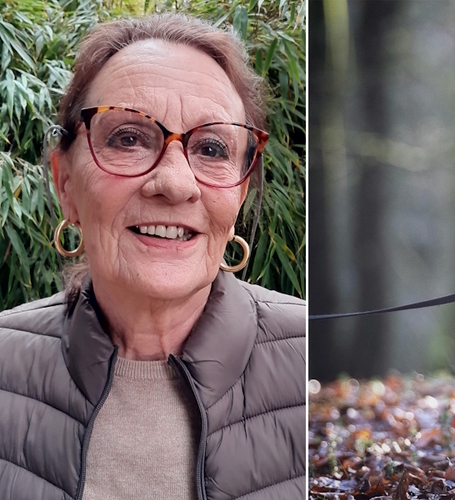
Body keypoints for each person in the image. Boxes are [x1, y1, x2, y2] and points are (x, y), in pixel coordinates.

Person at [0, 14, 305, 500]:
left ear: (240, 194)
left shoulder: (309, 355)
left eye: (211, 148)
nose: (175, 183)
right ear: (65, 184)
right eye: (128, 138)